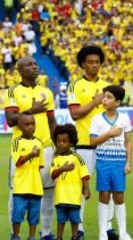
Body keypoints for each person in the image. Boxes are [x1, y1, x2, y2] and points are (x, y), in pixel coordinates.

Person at [4, 56, 56, 240]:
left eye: (35, 64)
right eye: (29, 64)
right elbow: (10, 121)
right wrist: (32, 109)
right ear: (20, 70)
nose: (34, 67)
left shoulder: (47, 92)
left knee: (48, 192)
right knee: (16, 194)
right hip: (22, 149)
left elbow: (51, 121)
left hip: (46, 148)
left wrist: (58, 147)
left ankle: (46, 233)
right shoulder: (12, 92)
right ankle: (14, 234)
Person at [67, 45, 115, 239]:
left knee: (107, 187)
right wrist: (95, 101)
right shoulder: (75, 86)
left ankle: (107, 228)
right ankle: (78, 228)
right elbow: (75, 113)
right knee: (80, 187)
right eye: (90, 62)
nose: (94, 65)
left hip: (106, 144)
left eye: (97, 62)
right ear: (82, 64)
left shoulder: (107, 87)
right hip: (84, 144)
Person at [90, 85, 132, 240]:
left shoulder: (124, 118)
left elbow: (128, 142)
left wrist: (129, 162)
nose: (104, 100)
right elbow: (93, 142)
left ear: (118, 102)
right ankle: (103, 233)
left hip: (119, 162)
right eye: (104, 97)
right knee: (104, 195)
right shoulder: (96, 119)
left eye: (109, 97)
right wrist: (109, 134)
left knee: (119, 196)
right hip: (103, 161)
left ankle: (123, 232)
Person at [50, 124, 90, 240]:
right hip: (60, 197)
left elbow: (84, 175)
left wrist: (86, 188)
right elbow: (53, 175)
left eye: (64, 141)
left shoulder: (77, 158)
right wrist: (62, 169)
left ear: (71, 143)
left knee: (74, 220)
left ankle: (74, 236)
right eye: (58, 141)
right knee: (60, 220)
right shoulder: (56, 158)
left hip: (74, 198)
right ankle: (59, 237)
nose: (60, 144)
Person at [10, 113, 44, 240]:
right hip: (21, 187)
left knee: (34, 216)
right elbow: (18, 162)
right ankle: (16, 236)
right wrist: (31, 154)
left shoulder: (39, 143)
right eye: (27, 124)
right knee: (17, 215)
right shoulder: (16, 142)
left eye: (33, 124)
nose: (31, 127)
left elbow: (40, 166)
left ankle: (32, 236)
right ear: (19, 127)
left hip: (35, 187)